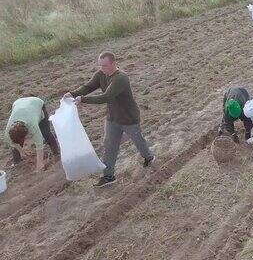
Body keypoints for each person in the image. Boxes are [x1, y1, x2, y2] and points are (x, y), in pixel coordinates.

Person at [64, 51, 155, 187]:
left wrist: (83, 99)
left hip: (128, 118)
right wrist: (73, 94)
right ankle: (108, 176)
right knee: (109, 146)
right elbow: (88, 87)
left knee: (138, 141)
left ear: (113, 63)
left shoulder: (121, 78)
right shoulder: (101, 74)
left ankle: (149, 157)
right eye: (100, 65)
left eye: (105, 65)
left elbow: (106, 97)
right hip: (112, 118)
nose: (102, 68)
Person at [4, 97, 59, 172]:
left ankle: (56, 153)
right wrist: (21, 151)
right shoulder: (8, 131)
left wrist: (39, 163)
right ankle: (17, 162)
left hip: (37, 104)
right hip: (19, 103)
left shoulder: (32, 125)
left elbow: (39, 144)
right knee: (16, 143)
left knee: (45, 132)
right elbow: (12, 142)